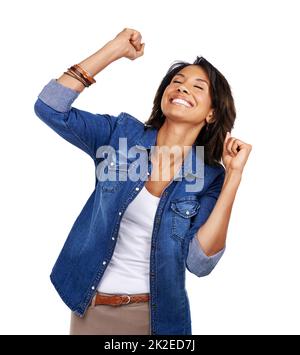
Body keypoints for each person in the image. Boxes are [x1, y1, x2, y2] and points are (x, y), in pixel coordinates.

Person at [33, 28, 252, 335]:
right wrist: (113, 50)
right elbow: (50, 107)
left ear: (212, 114)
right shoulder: (121, 135)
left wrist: (234, 177)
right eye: (176, 82)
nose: (183, 88)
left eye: (197, 87)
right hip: (93, 310)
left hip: (159, 321)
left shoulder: (210, 177)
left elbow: (200, 262)